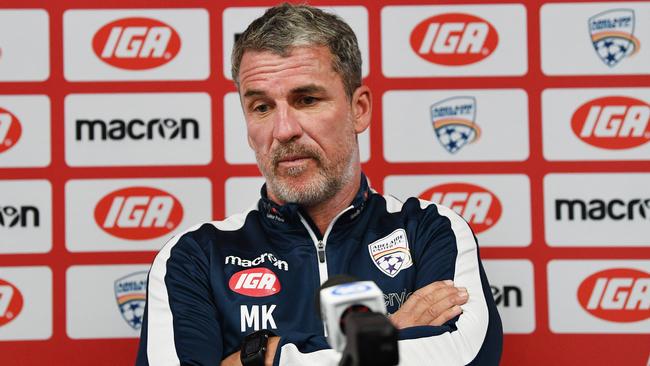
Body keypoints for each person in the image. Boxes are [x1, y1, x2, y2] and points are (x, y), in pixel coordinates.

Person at [135, 3, 502, 366]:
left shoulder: (430, 231)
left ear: (359, 109)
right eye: (261, 107)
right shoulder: (194, 257)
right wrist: (388, 335)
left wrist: (267, 357)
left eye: (306, 100)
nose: (283, 130)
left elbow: (462, 358)